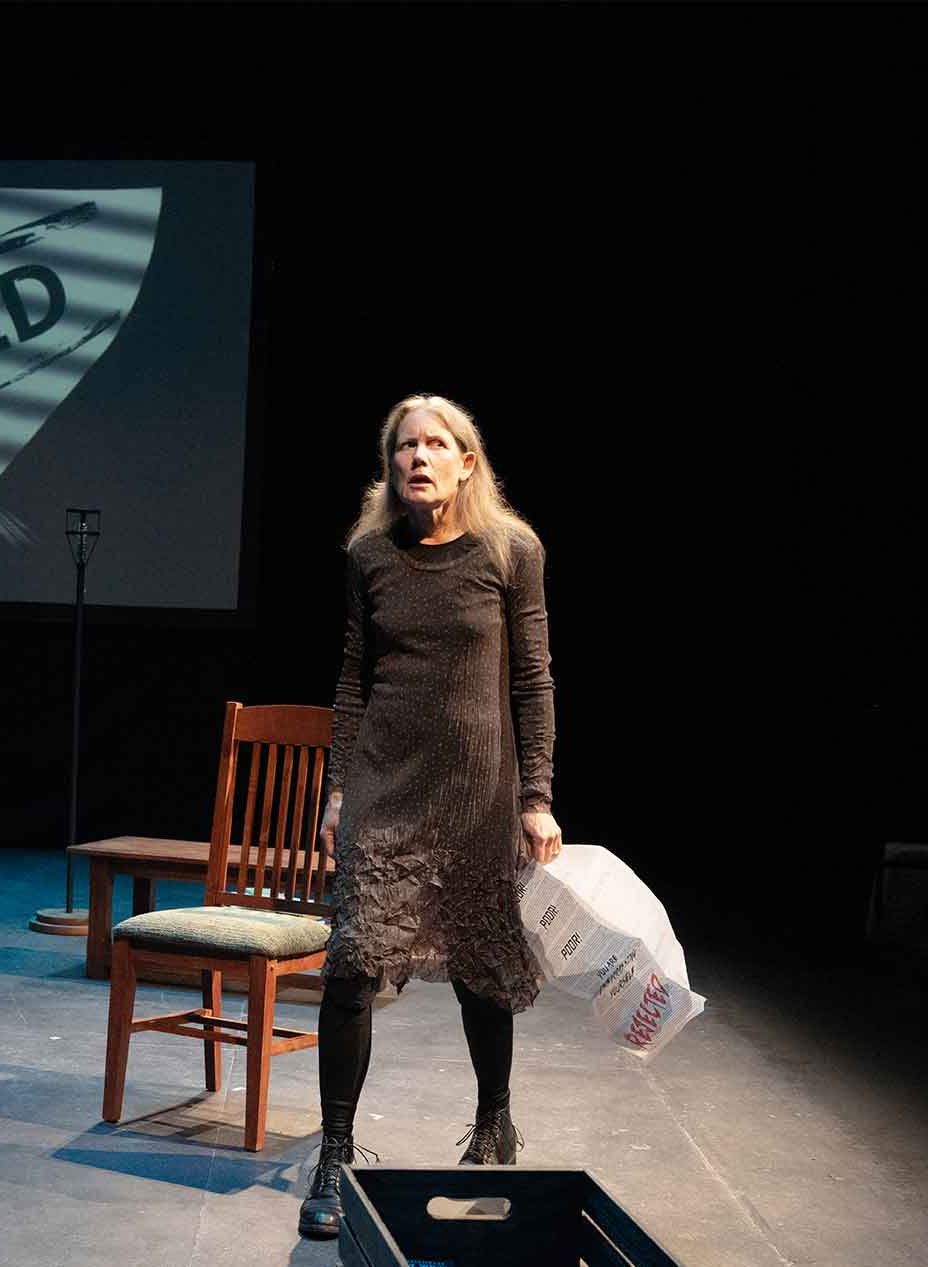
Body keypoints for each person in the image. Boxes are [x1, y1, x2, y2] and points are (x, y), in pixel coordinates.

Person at [299, 393, 562, 1240]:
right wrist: (339, 787)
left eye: (434, 444)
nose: (417, 456)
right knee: (352, 964)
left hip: (480, 791)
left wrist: (538, 796)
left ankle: (493, 1132)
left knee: (482, 966)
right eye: (404, 445)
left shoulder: (511, 549)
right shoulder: (369, 554)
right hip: (386, 784)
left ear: (466, 461)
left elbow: (533, 680)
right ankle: (335, 1155)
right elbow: (350, 679)